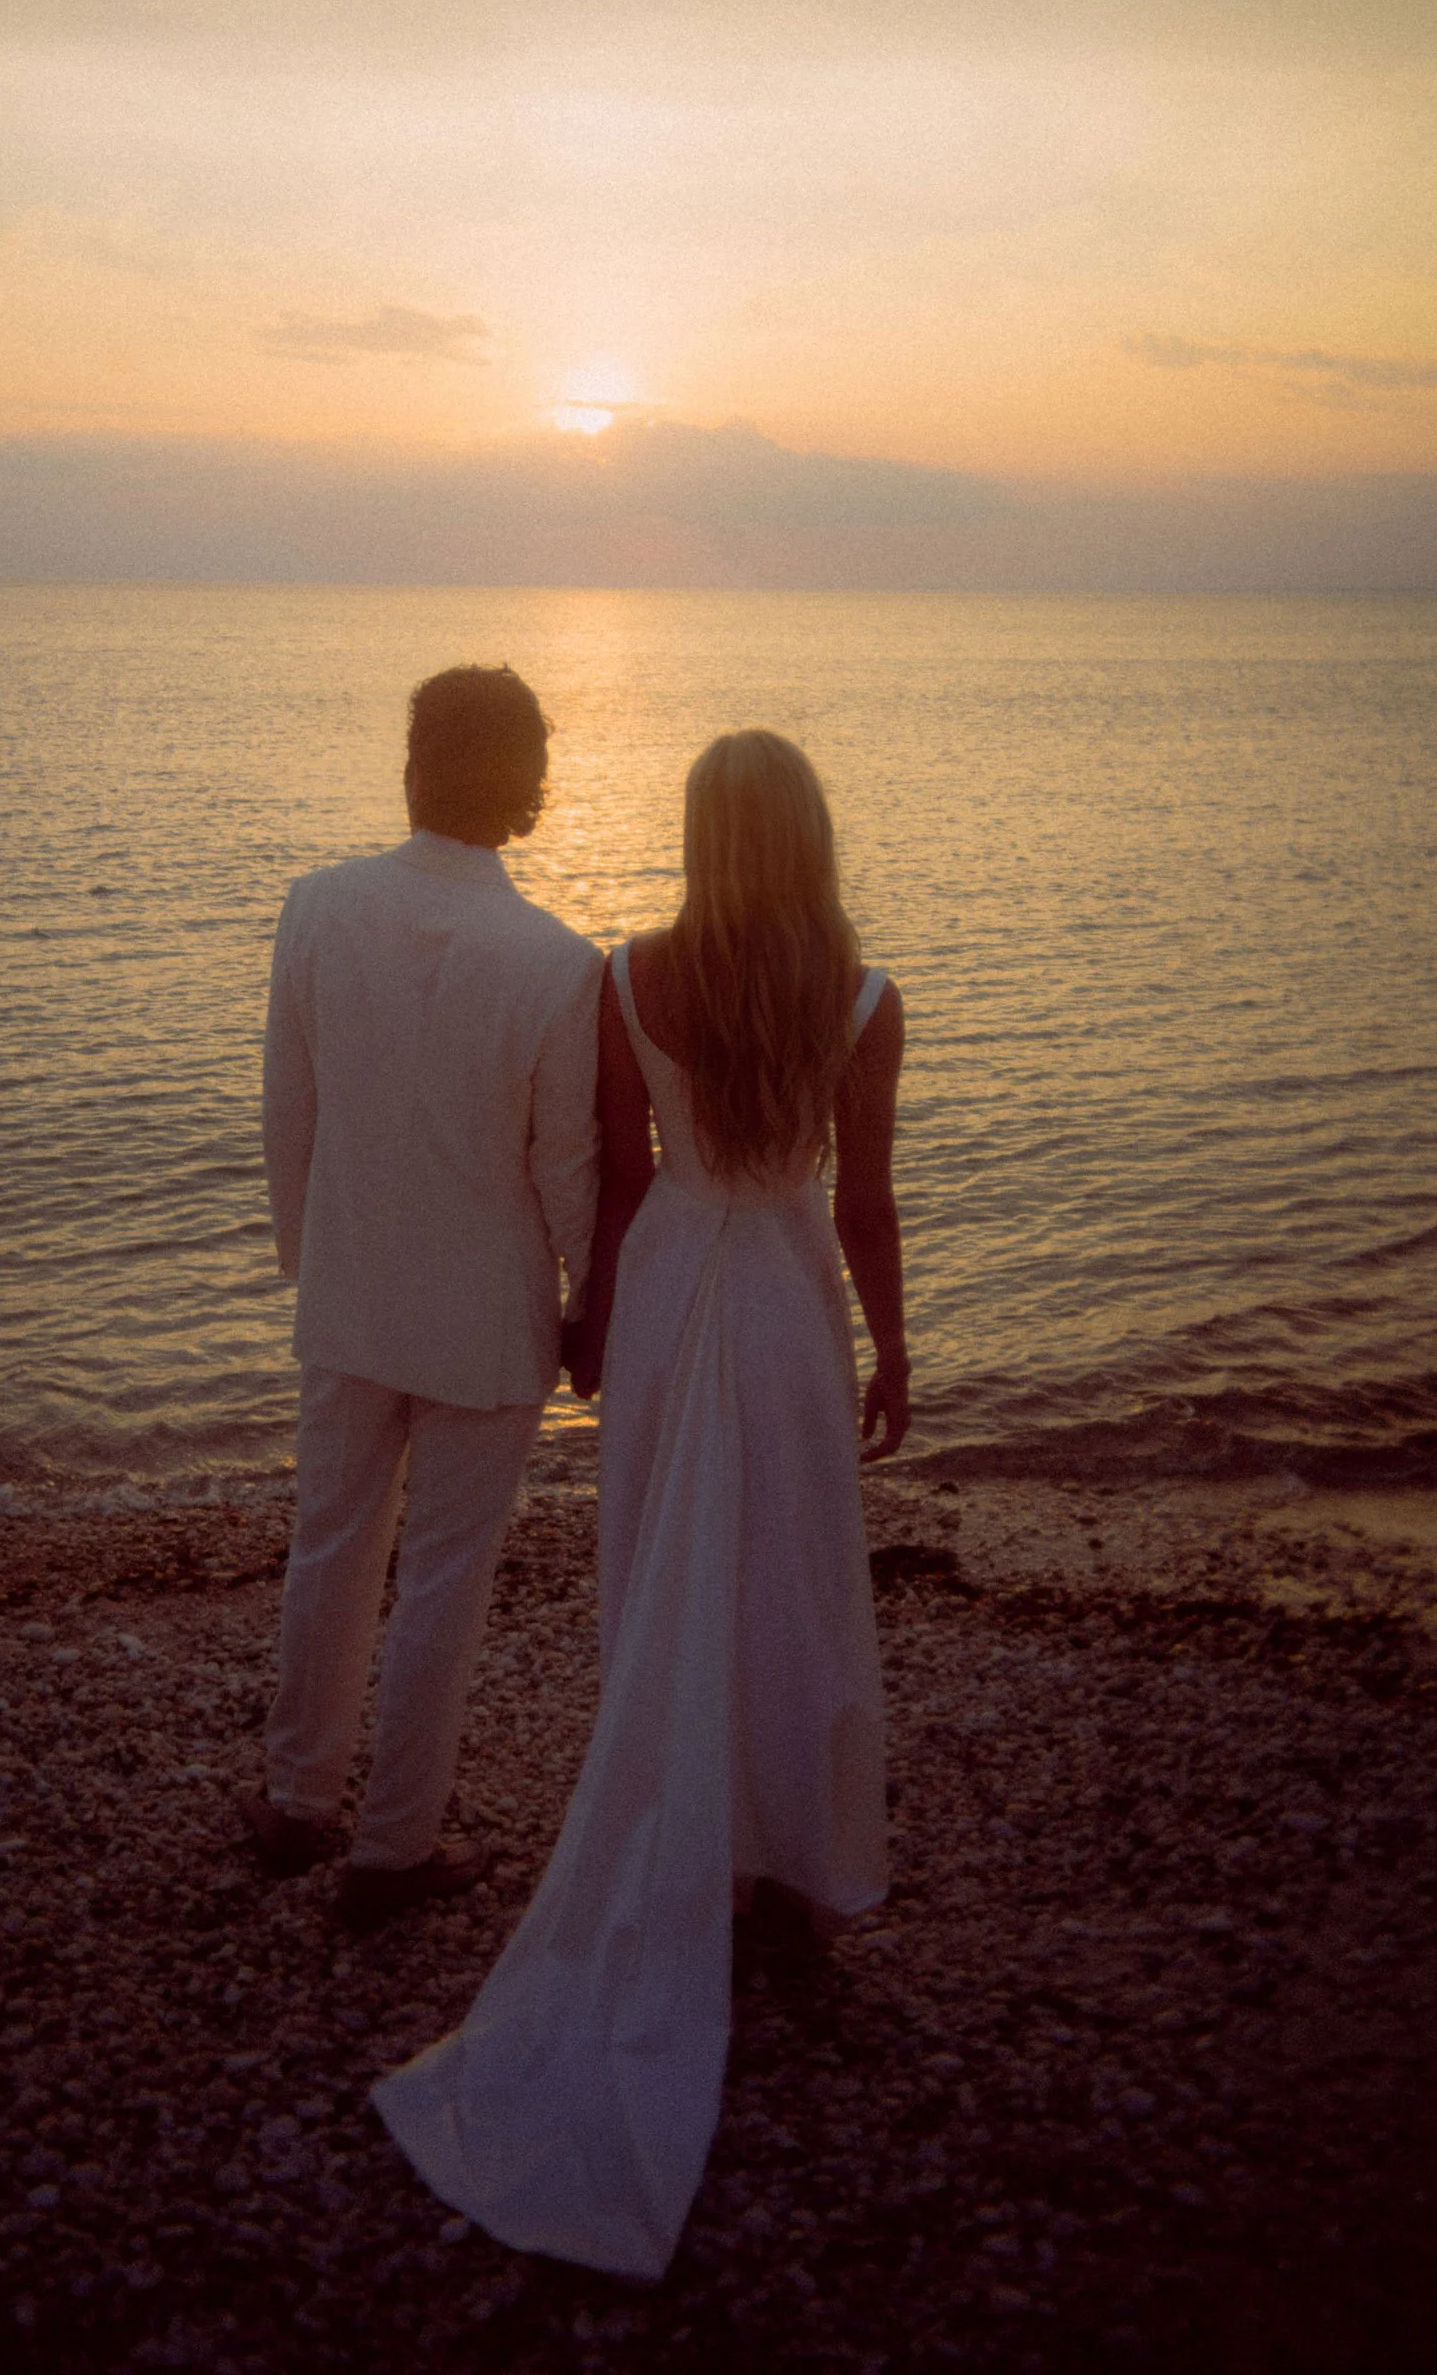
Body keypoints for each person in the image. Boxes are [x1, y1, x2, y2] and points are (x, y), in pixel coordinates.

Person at [374, 728, 909, 2275]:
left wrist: (591, 1325)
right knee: (795, 1575)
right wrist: (894, 1346)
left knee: (661, 1569)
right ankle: (796, 1874)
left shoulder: (627, 976)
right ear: (806, 837)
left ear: (699, 836)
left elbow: (616, 1176)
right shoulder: (861, 1000)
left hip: (675, 1282)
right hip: (788, 1294)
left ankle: (708, 1843)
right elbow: (861, 1199)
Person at [249, 665, 602, 1928]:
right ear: (527, 788)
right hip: (486, 1312)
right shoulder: (558, 961)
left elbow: (289, 1112)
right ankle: (391, 1843)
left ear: (413, 761)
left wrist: (313, 1259)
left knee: (331, 1543)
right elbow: (566, 1165)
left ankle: (298, 1798)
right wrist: (585, 1309)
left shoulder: (317, 908)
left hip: (352, 1289)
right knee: (446, 1576)